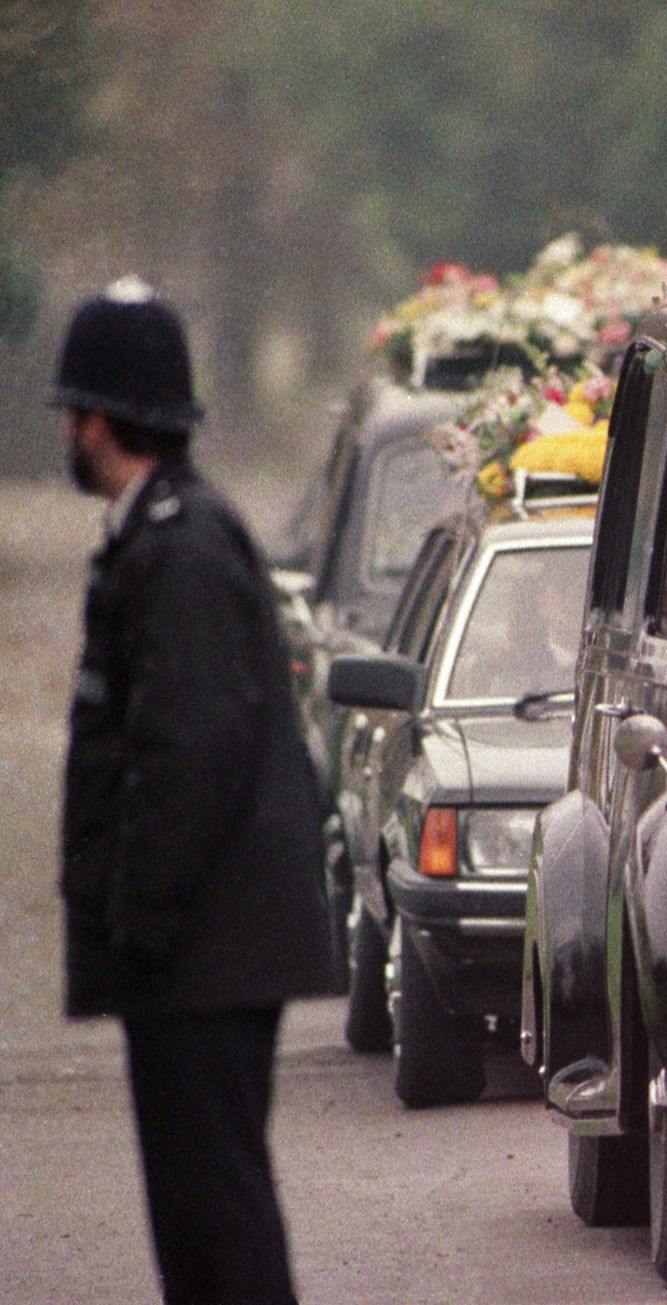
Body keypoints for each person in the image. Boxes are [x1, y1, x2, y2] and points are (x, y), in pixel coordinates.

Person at [54, 278, 335, 1301]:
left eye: (73, 413)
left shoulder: (181, 547)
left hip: (202, 952)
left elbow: (189, 750)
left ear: (98, 418)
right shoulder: (168, 532)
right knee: (201, 1214)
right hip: (202, 949)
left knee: (215, 1218)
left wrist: (143, 915)